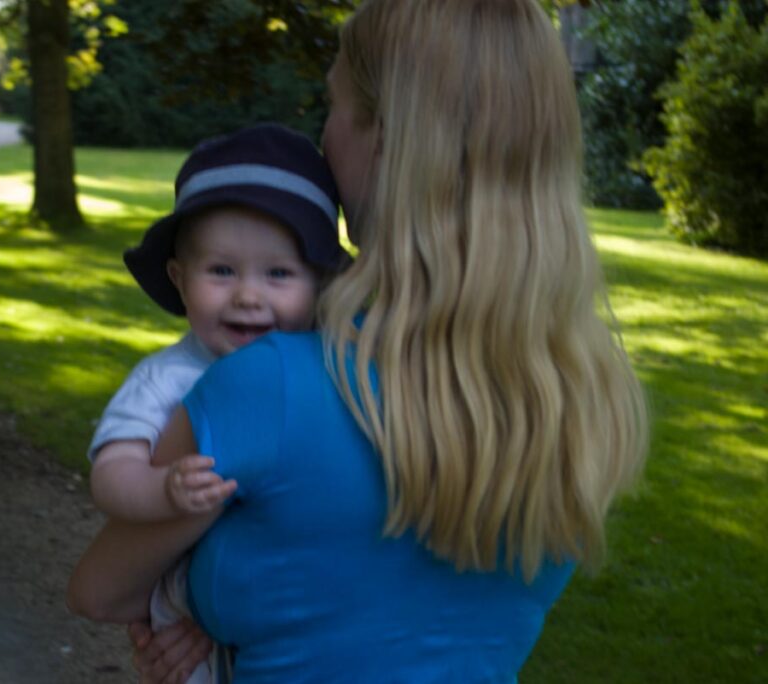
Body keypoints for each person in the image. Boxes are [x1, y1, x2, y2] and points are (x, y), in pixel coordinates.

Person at [69, 0, 648, 681]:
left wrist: (194, 609)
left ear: (386, 140)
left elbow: (102, 591)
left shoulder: (270, 385)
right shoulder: (580, 400)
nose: (324, 135)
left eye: (334, 106)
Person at [85, 123, 350, 682]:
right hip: (185, 603)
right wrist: (163, 489)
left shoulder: (329, 369)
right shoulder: (167, 377)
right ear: (180, 280)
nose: (248, 295)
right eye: (222, 271)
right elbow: (111, 471)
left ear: (320, 284)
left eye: (278, 273)